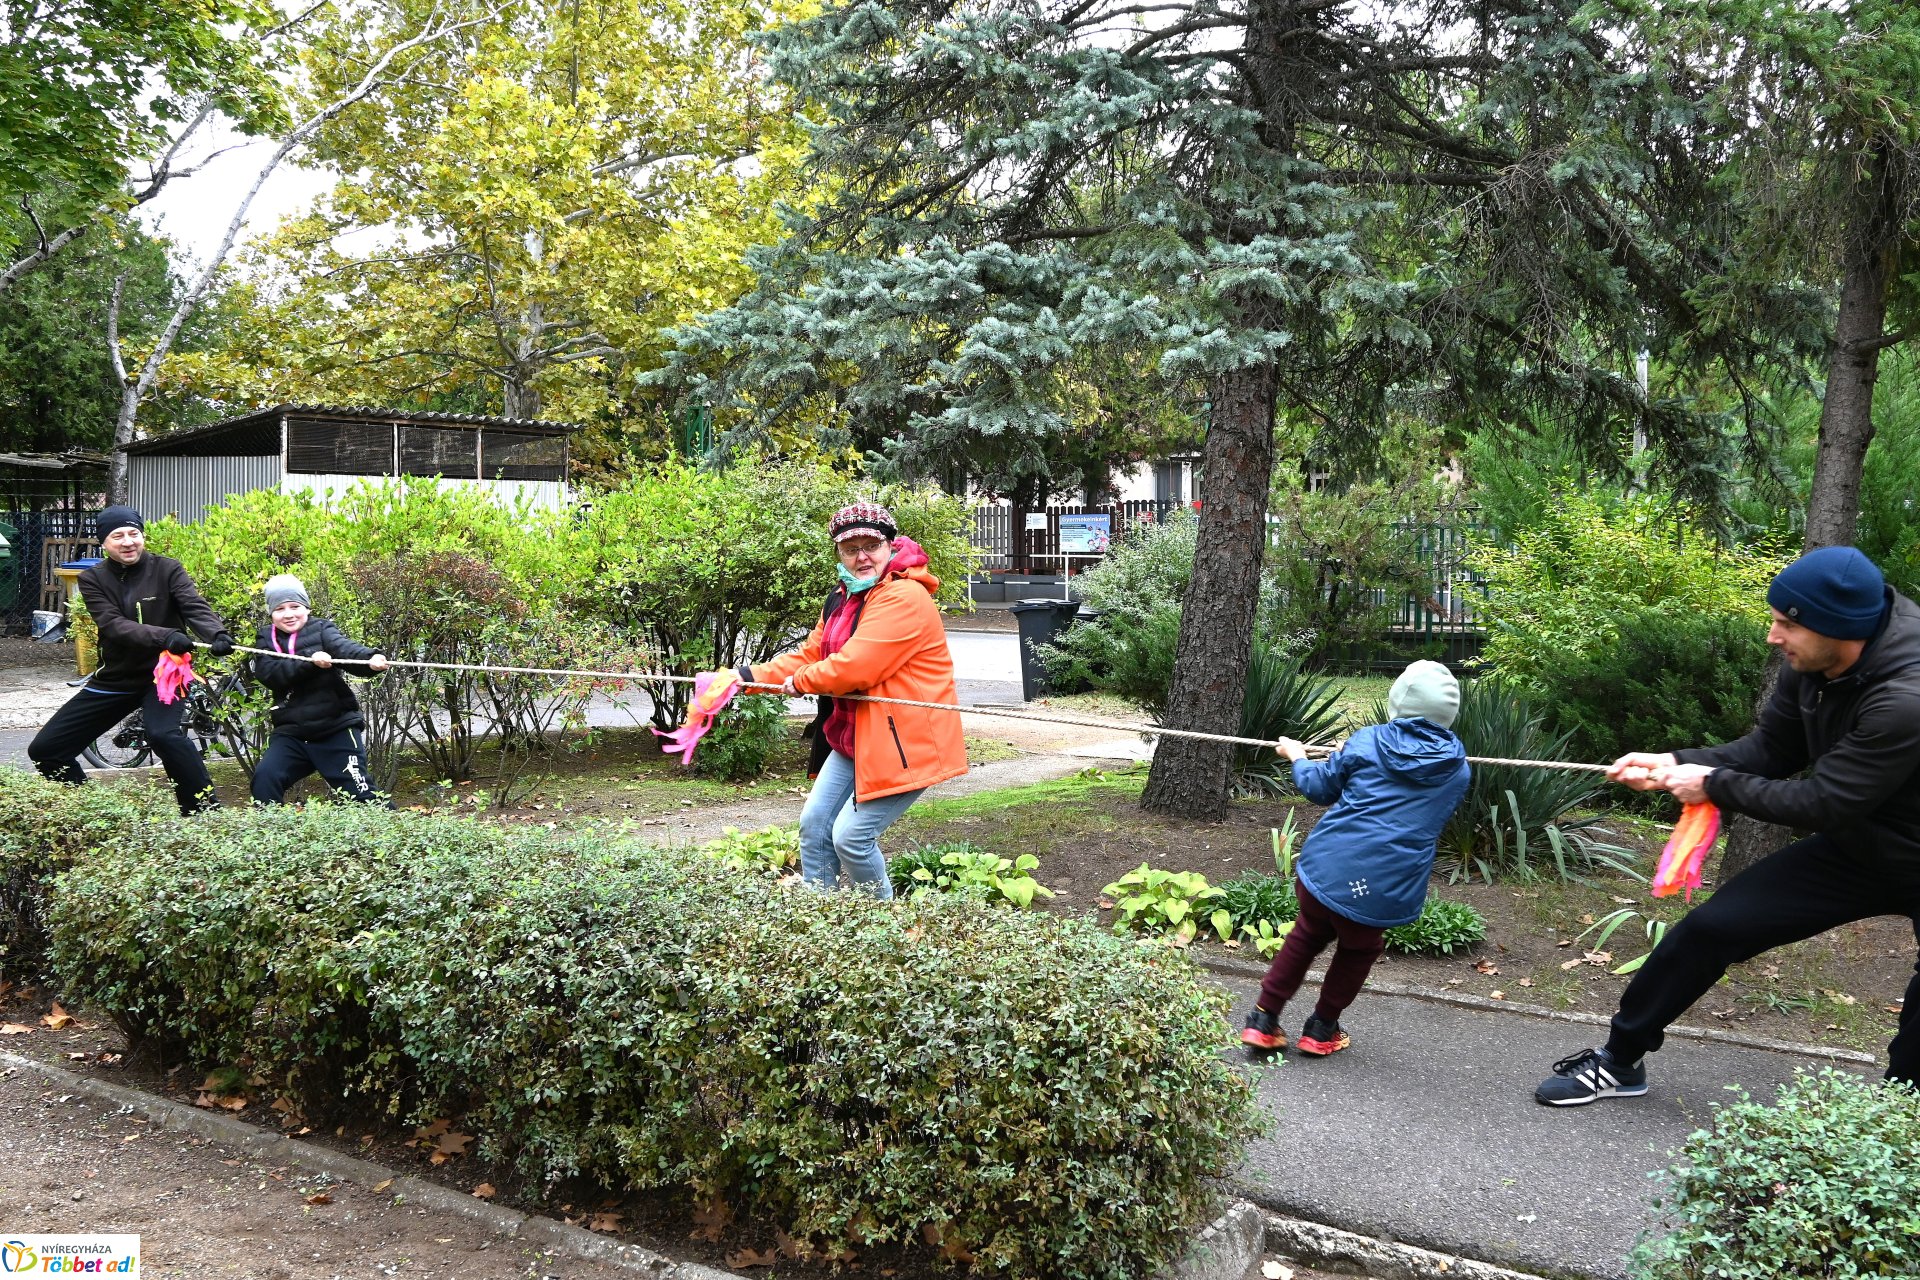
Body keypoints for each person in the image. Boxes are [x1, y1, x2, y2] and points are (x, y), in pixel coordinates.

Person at [1536, 546, 1920, 1105]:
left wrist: (1711, 784)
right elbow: (1770, 750)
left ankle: (1899, 1118)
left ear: (1839, 629)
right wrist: (1675, 763)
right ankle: (1620, 1061)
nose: (1773, 635)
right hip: (1863, 844)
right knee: (1713, 928)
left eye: (1787, 624)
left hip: (1874, 830)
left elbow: (1823, 802)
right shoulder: (1813, 663)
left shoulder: (1906, 697)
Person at [734, 501, 968, 898]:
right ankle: (821, 919)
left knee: (851, 839)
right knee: (815, 825)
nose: (861, 557)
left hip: (903, 745)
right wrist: (743, 678)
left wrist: (802, 681)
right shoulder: (843, 598)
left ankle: (881, 932)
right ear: (838, 553)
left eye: (871, 545)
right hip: (855, 740)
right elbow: (812, 654)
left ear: (890, 547)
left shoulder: (904, 597)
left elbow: (855, 668)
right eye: (849, 548)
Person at [1242, 661, 1471, 1058]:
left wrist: (1297, 756)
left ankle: (1263, 1020)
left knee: (1308, 934)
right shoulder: (1457, 769)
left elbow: (1318, 787)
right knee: (1358, 949)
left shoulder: (1366, 742)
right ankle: (1321, 1029)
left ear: (1397, 702)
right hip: (1383, 886)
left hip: (1329, 868)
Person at [28, 505, 235, 814]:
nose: (127, 542)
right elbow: (114, 625)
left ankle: (205, 813)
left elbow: (193, 606)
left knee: (164, 735)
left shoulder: (167, 569)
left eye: (133, 534)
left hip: (166, 676)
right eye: (117, 536)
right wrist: (165, 636)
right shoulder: (93, 579)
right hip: (118, 676)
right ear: (104, 543)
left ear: (142, 536)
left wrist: (217, 633)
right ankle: (98, 814)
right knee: (46, 749)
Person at [247, 574, 392, 806]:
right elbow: (269, 674)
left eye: (294, 606)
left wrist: (370, 659)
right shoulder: (266, 638)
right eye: (280, 608)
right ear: (271, 613)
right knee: (265, 781)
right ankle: (271, 838)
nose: (288, 614)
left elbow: (345, 649)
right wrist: (309, 661)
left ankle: (398, 835)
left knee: (362, 797)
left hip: (336, 730)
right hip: (291, 734)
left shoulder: (322, 629)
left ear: (306, 607)